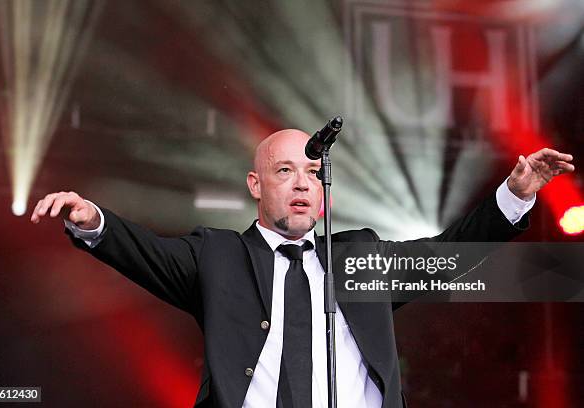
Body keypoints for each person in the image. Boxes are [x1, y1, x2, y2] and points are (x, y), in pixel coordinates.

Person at [30, 129, 574, 408]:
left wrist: (515, 194)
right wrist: (94, 220)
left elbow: (450, 255)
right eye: (284, 170)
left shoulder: (359, 256)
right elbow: (145, 252)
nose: (301, 183)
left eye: (312, 172)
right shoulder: (218, 258)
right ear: (255, 184)